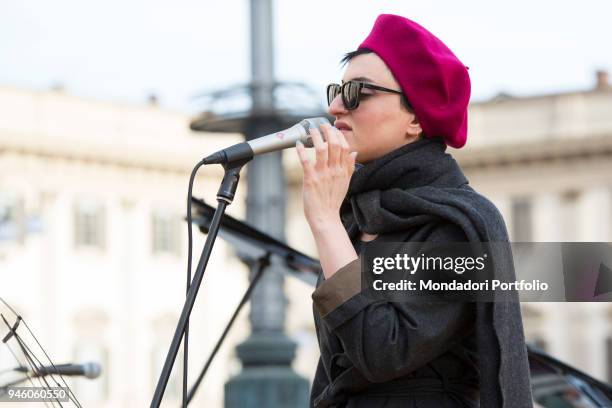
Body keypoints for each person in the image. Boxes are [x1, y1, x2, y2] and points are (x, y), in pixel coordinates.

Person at [295, 14, 533, 408]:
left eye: (358, 92)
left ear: (417, 117)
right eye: (337, 90)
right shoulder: (357, 217)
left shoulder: (460, 224)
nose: (336, 106)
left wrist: (324, 222)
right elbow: (333, 370)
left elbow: (382, 351)